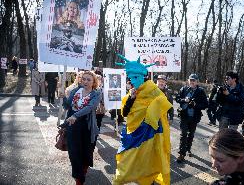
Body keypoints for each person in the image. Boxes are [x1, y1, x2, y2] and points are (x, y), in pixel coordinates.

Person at [113, 54, 172, 185]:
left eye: (136, 77)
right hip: (133, 133)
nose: (133, 81)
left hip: (150, 134)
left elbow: (164, 104)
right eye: (131, 78)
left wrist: (151, 114)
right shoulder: (131, 94)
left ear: (143, 77)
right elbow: (125, 113)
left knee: (148, 163)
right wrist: (131, 99)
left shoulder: (154, 90)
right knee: (127, 160)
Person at [61, 71, 101, 185]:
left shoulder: (96, 93)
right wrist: (63, 96)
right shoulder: (75, 90)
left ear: (94, 82)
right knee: (73, 152)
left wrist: (75, 115)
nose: (86, 81)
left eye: (89, 79)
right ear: (81, 80)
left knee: (86, 151)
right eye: (84, 79)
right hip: (72, 125)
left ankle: (84, 168)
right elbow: (67, 106)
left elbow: (90, 107)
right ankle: (79, 178)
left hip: (87, 126)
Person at [175, 73, 208, 163]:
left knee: (191, 134)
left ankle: (188, 149)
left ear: (197, 82)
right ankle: (182, 154)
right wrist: (183, 100)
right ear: (188, 81)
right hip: (184, 115)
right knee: (183, 134)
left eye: (194, 80)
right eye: (191, 80)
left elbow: (205, 105)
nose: (192, 82)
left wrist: (196, 105)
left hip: (194, 117)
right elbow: (177, 99)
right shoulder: (184, 89)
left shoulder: (200, 91)